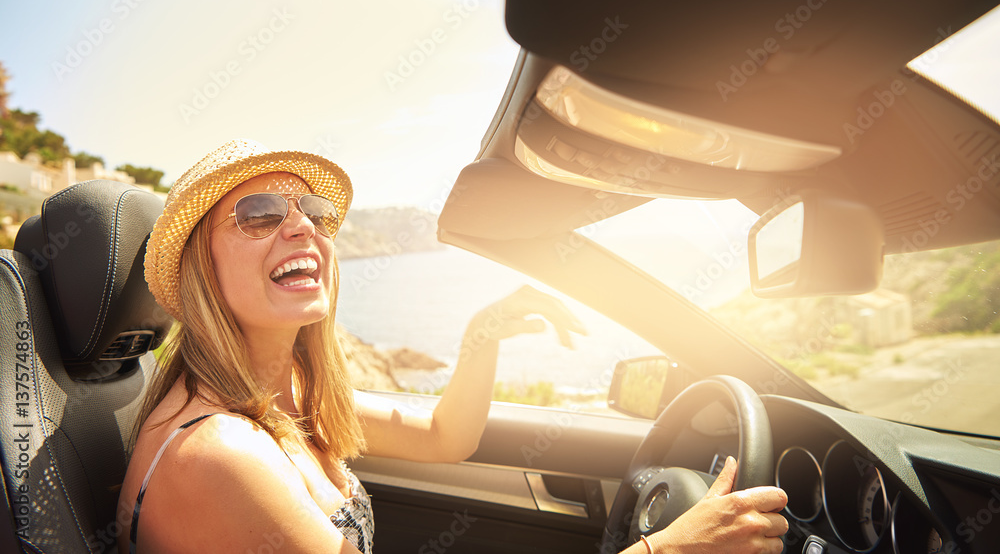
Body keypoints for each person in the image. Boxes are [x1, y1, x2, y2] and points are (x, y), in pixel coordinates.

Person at [118, 138, 788, 553]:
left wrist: (482, 336)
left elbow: (444, 437)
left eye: (314, 215)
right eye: (261, 214)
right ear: (199, 268)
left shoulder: (283, 391)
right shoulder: (218, 454)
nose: (302, 228)